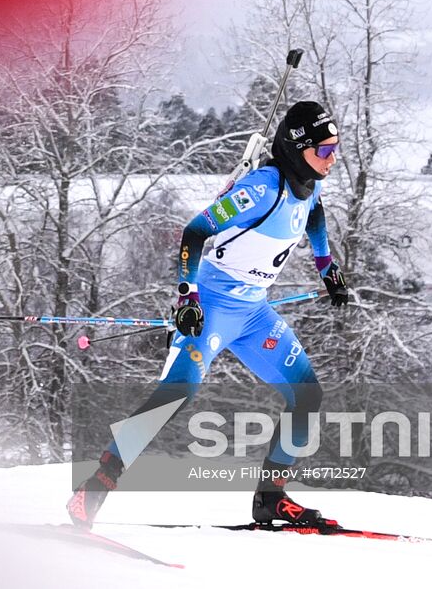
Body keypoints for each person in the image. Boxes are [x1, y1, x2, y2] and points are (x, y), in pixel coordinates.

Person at [67, 100, 351, 529]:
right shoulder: (262, 188)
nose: (332, 159)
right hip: (213, 307)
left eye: (336, 149)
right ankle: (97, 483)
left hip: (254, 312)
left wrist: (326, 266)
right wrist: (188, 297)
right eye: (324, 151)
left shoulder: (310, 184)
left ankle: (270, 499)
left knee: (307, 394)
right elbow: (195, 231)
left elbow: (313, 215)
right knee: (176, 393)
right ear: (297, 147)